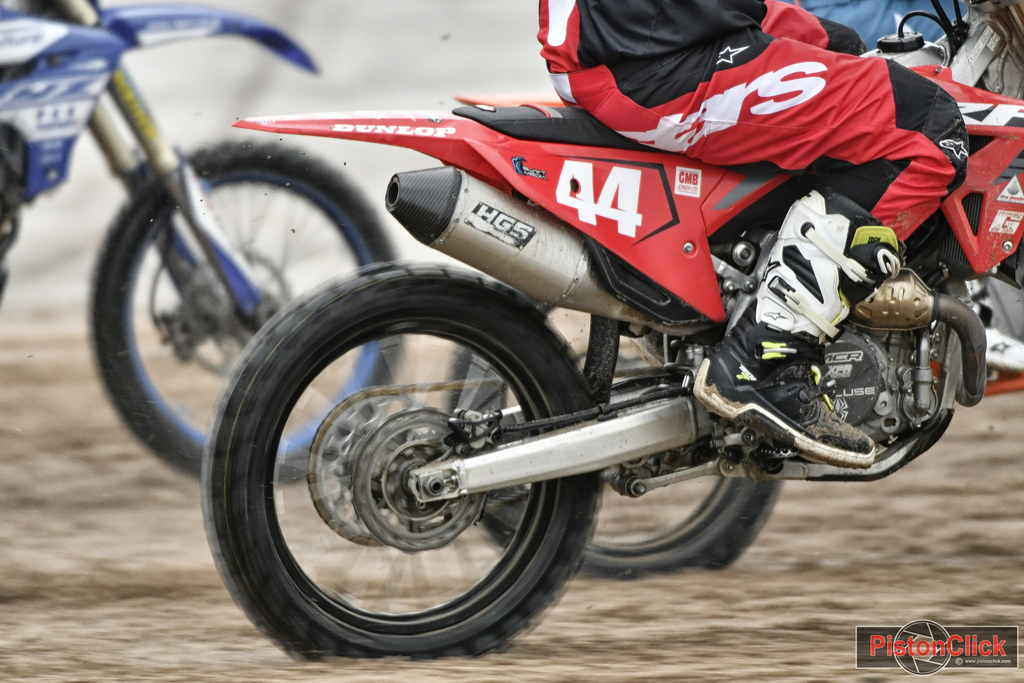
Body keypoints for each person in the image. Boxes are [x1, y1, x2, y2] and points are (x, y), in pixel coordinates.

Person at [538, 0, 968, 468]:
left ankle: (757, 300)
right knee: (928, 126)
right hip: (651, 56)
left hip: (643, 35)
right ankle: (766, 360)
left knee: (846, 51)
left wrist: (815, 32)